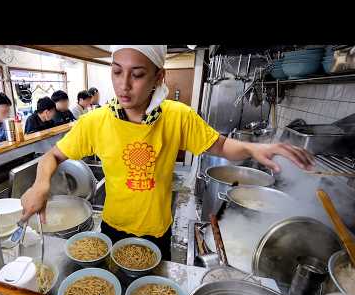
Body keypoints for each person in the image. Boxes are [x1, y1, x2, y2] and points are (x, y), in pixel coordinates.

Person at [20, 45, 314, 261]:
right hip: (112, 226)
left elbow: (222, 146)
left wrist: (254, 147)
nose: (123, 85)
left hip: (157, 230)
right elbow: (52, 157)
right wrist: (40, 183)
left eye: (137, 75)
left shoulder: (177, 117)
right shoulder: (95, 121)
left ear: (158, 77)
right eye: (117, 72)